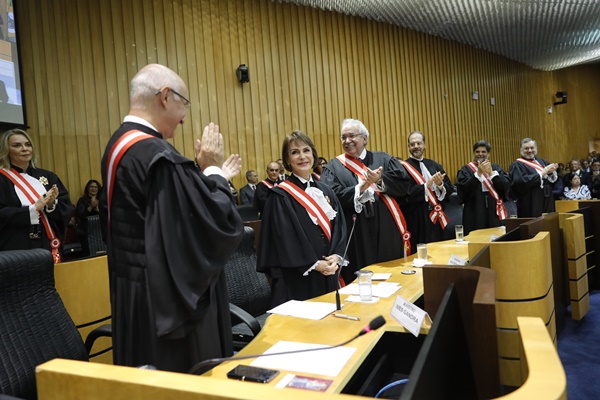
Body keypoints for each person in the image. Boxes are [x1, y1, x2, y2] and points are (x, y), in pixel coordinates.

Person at [99, 64, 244, 373]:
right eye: (184, 104)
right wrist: (214, 170)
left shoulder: (118, 146)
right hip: (167, 304)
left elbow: (166, 218)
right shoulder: (156, 155)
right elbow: (212, 224)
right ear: (165, 96)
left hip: (132, 294)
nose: (185, 115)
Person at [257, 130, 347, 307]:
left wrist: (336, 256)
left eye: (306, 150)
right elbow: (283, 238)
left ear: (313, 154)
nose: (302, 156)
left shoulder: (326, 190)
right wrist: (314, 264)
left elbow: (339, 227)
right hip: (298, 278)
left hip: (329, 272)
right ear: (287, 160)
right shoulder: (280, 196)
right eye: (294, 152)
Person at [321, 119, 411, 283]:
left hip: (386, 229)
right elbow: (330, 197)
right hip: (355, 233)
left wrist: (379, 181)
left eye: (352, 136)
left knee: (392, 278)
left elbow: (404, 185)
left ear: (365, 139)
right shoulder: (333, 167)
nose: (347, 141)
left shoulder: (383, 159)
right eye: (343, 137)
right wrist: (359, 189)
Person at [0, 128, 73, 262]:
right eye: (17, 145)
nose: (24, 149)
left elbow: (67, 207)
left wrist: (51, 205)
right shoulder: (2, 178)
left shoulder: (47, 176)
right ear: (6, 150)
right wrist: (32, 209)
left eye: (28, 144)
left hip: (47, 243)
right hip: (15, 248)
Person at [400, 131, 454, 252]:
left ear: (424, 145)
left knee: (440, 251)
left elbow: (450, 189)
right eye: (412, 144)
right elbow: (404, 194)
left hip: (437, 217)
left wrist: (440, 185)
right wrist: (425, 186)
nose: (416, 146)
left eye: (419, 143)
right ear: (408, 147)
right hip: (417, 218)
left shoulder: (434, 165)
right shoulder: (403, 167)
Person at [456, 140, 511, 235]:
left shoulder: (496, 168)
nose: (480, 154)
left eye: (483, 152)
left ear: (488, 154)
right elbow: (462, 190)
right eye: (477, 152)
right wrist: (478, 174)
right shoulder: (466, 169)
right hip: (475, 210)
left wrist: (492, 174)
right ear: (474, 153)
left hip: (494, 209)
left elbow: (505, 187)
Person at [509, 138, 558, 217]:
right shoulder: (517, 165)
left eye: (532, 148)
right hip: (530, 200)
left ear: (536, 148)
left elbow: (552, 180)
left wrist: (550, 173)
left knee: (549, 221)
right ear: (521, 149)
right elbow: (519, 182)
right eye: (526, 148)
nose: (530, 150)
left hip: (547, 197)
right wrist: (541, 174)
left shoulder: (541, 161)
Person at [76, 179, 102, 256]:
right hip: (86, 231)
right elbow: (81, 214)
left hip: (100, 230)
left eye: (95, 187)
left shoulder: (102, 200)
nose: (93, 189)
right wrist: (91, 206)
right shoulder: (82, 200)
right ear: (87, 188)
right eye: (91, 187)